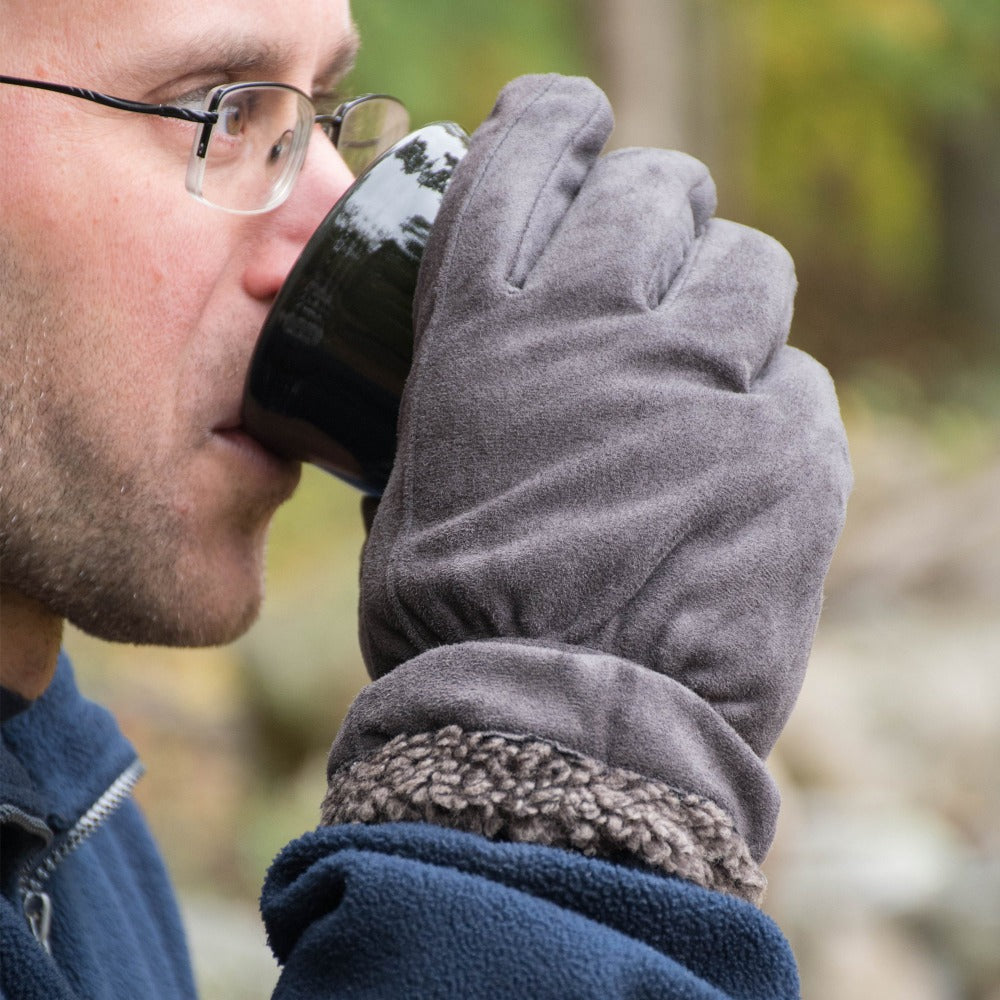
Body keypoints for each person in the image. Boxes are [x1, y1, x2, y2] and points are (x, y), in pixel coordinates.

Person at [0, 0, 852, 996]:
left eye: (318, 111)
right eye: (218, 111)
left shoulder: (71, 809)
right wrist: (554, 785)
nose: (334, 218)